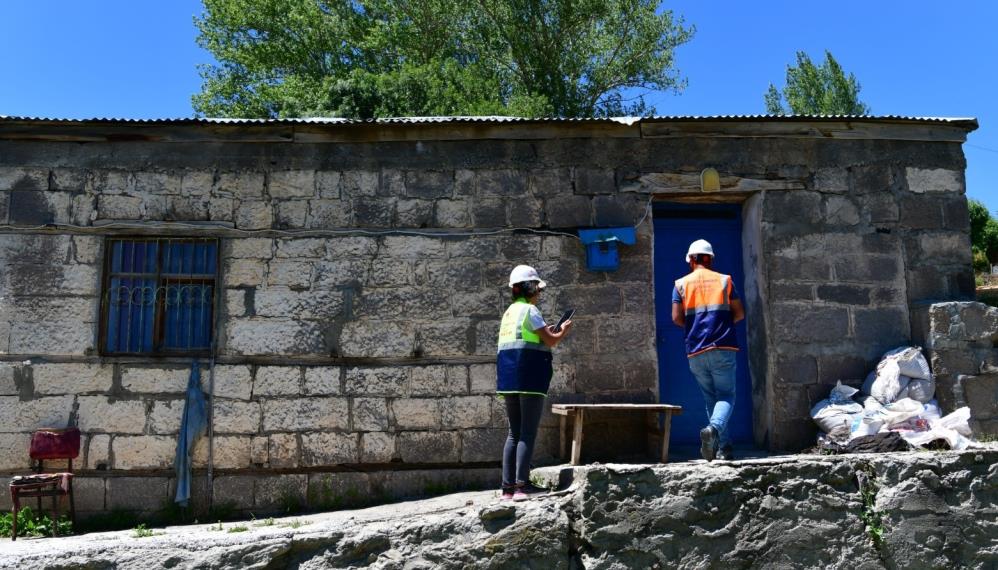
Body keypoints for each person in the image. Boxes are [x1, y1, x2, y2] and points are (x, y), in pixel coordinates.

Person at [497, 264, 572, 501]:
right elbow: (550, 341)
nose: (539, 293)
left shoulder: (509, 312)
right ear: (529, 288)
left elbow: (529, 336)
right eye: (537, 289)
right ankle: (522, 486)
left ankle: (507, 489)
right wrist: (564, 330)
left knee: (514, 433)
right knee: (527, 433)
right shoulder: (531, 311)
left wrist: (547, 332)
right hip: (529, 376)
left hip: (509, 378)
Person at [671, 239, 745, 462]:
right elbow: (739, 313)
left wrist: (695, 328)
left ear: (691, 260)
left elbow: (676, 318)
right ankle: (714, 430)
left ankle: (723, 447)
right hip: (723, 346)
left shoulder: (680, 284)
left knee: (711, 398)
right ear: (710, 259)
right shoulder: (725, 281)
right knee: (726, 395)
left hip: (695, 350)